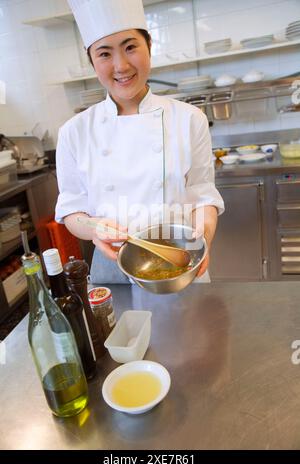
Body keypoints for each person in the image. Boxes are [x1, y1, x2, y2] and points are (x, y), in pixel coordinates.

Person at [55, 0, 224, 284]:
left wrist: (202, 238)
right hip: (112, 269)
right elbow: (72, 212)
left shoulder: (189, 118)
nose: (121, 66)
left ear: (149, 46)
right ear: (92, 61)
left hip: (181, 261)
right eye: (105, 53)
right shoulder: (74, 131)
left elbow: (203, 195)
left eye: (130, 47)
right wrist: (95, 227)